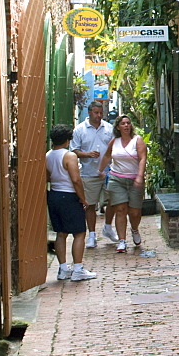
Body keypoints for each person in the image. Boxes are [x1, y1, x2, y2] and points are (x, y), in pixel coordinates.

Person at [46, 124, 97, 281]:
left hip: (54, 195)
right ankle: (78, 269)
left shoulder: (48, 155)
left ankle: (62, 269)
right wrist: (82, 198)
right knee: (79, 233)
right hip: (68, 196)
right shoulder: (69, 156)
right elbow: (75, 179)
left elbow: (47, 177)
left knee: (60, 233)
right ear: (68, 140)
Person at [70, 101, 119, 248]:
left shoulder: (109, 128)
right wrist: (87, 154)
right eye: (96, 113)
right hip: (88, 173)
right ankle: (92, 235)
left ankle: (108, 227)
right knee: (90, 205)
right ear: (89, 112)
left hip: (108, 173)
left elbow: (115, 148)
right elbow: (74, 151)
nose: (98, 116)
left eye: (100, 113)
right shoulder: (79, 130)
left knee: (113, 201)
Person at [98, 115, 147, 253]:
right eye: (123, 123)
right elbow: (107, 156)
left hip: (133, 180)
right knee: (120, 210)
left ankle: (135, 229)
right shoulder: (114, 141)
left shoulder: (137, 140)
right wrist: (100, 170)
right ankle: (122, 241)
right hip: (116, 179)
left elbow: (143, 158)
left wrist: (139, 176)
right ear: (118, 127)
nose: (126, 126)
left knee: (135, 212)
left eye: (128, 123)